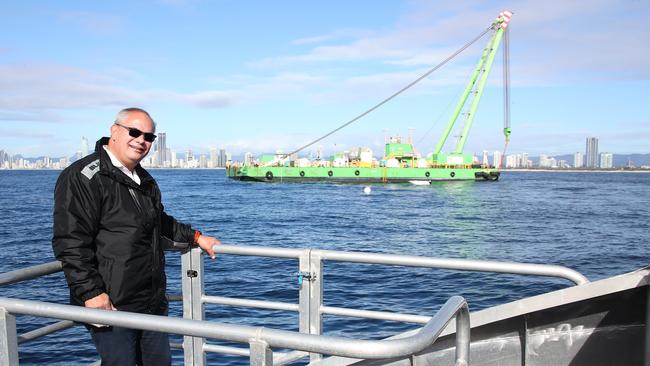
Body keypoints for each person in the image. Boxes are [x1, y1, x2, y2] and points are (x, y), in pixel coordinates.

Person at [52, 107, 221, 365]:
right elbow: (71, 242)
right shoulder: (84, 177)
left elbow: (158, 222)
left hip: (150, 300)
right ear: (114, 132)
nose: (141, 140)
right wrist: (90, 293)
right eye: (134, 132)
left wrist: (197, 237)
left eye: (149, 137)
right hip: (111, 302)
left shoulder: (143, 178)